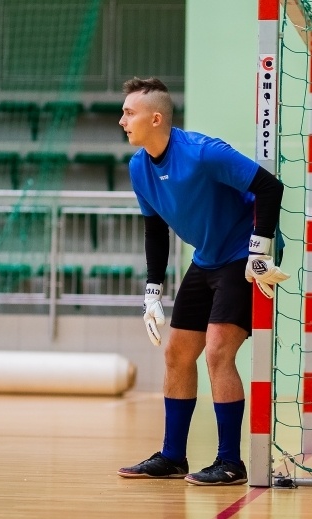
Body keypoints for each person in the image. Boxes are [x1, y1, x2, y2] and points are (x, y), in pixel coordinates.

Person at [116, 77, 288, 486]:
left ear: (155, 118)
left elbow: (269, 186)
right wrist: (153, 290)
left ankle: (231, 462)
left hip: (243, 254)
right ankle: (173, 457)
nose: (122, 119)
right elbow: (155, 229)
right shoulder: (138, 167)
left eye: (129, 112)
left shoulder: (203, 152)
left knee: (216, 352)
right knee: (177, 354)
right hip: (207, 257)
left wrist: (260, 249)